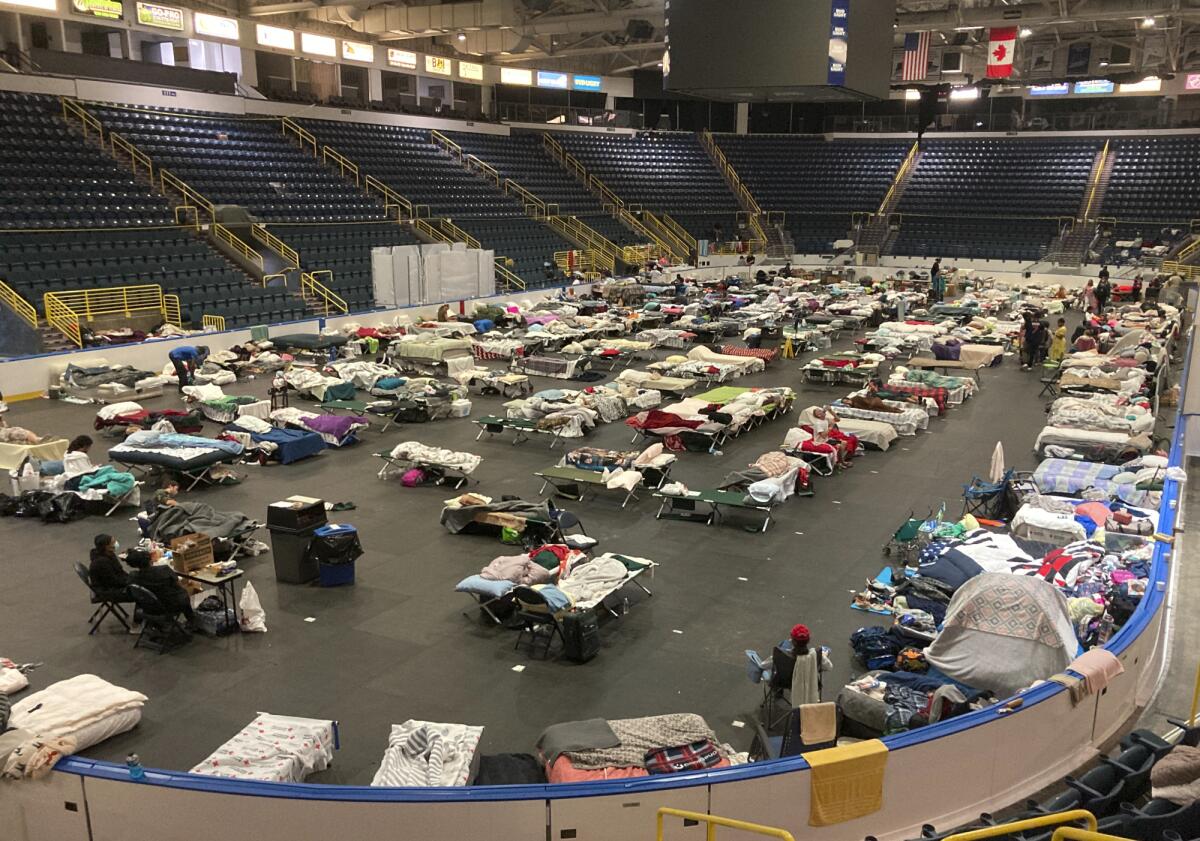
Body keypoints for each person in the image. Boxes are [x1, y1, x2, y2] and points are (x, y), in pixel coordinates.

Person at [125, 545, 194, 623]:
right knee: (183, 593)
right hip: (171, 605)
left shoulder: (133, 576)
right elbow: (178, 585)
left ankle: (138, 623)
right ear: (150, 560)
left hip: (149, 607)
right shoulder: (164, 569)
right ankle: (192, 621)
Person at [788, 624, 833, 705]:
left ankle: (778, 693)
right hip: (812, 690)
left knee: (783, 644)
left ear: (792, 641)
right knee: (827, 649)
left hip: (787, 682)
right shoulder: (815, 654)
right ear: (808, 640)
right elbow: (829, 667)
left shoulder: (785, 654)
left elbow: (765, 665)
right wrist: (824, 656)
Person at [88, 533, 132, 601]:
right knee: (140, 593)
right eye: (113, 542)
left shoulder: (109, 553)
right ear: (106, 546)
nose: (116, 543)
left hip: (113, 583)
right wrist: (131, 582)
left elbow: (119, 571)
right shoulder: (101, 563)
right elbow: (113, 581)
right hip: (107, 590)